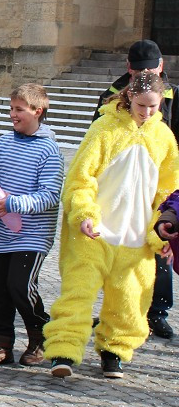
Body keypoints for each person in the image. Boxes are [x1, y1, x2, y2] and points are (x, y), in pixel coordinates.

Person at [45, 71, 179, 379]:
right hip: (94, 231)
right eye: (142, 105)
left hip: (136, 234)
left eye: (153, 107)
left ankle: (114, 351)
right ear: (130, 97)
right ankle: (63, 349)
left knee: (131, 299)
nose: (146, 113)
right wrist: (83, 213)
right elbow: (81, 178)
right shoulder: (104, 128)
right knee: (77, 293)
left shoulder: (164, 138)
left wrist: (161, 231)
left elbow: (169, 190)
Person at [94, 39, 179, 340]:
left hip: (158, 186)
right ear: (129, 70)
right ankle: (112, 311)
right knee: (114, 249)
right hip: (121, 186)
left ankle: (157, 312)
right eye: (139, 71)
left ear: (161, 67)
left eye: (151, 69)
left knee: (159, 247)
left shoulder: (173, 96)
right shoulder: (110, 96)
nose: (145, 74)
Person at [0, 84, 64, 368]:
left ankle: (41, 336)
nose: (12, 115)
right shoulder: (3, 142)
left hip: (34, 234)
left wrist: (12, 203)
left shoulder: (50, 150)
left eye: (19, 110)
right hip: (3, 232)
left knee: (20, 286)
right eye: (11, 108)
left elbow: (50, 196)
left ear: (38, 111)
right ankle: (2, 343)